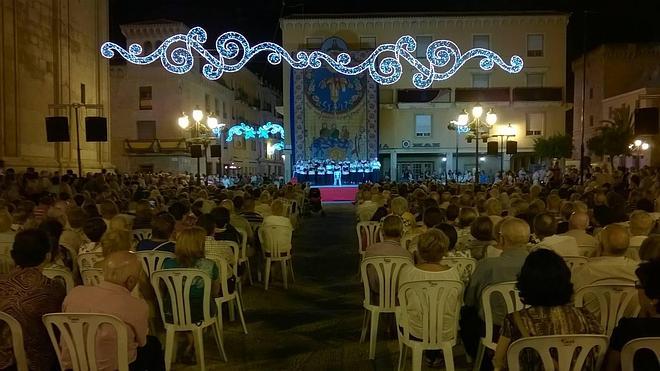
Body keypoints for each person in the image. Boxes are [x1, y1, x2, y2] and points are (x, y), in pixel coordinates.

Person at [493, 249, 602, 370]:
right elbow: (598, 352)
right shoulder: (585, 316)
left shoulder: (515, 321)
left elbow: (499, 361)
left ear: (526, 282)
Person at [61, 251, 164, 371]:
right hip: (116, 367)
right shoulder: (136, 305)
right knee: (153, 345)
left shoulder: (74, 293)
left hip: (74, 365)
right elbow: (141, 342)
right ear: (131, 281)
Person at [461, 218, 530, 358]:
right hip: (531, 327)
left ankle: (480, 359)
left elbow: (470, 300)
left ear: (501, 239)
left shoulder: (487, 266)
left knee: (466, 314)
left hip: (494, 329)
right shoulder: (541, 265)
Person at [0, 229, 66, 371]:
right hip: (34, 362)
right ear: (47, 256)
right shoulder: (51, 288)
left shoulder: (2, 282)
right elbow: (59, 329)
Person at [398, 229, 460, 368]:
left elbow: (402, 300)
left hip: (414, 331)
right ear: (445, 251)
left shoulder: (408, 272)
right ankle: (435, 355)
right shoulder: (454, 273)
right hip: (446, 331)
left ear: (419, 250)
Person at [163, 227, 220, 361]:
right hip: (201, 311)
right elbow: (215, 292)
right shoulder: (210, 265)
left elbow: (163, 289)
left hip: (172, 311)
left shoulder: (168, 264)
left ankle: (189, 343)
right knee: (208, 307)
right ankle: (193, 345)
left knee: (186, 310)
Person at [604, 260, 660, 371]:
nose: (637, 291)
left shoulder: (628, 328)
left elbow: (610, 368)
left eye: (639, 285)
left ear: (654, 299)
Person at [572, 224, 639, 315]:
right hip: (631, 326)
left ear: (600, 246)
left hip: (592, 326)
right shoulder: (640, 271)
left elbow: (573, 300)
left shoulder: (583, 270)